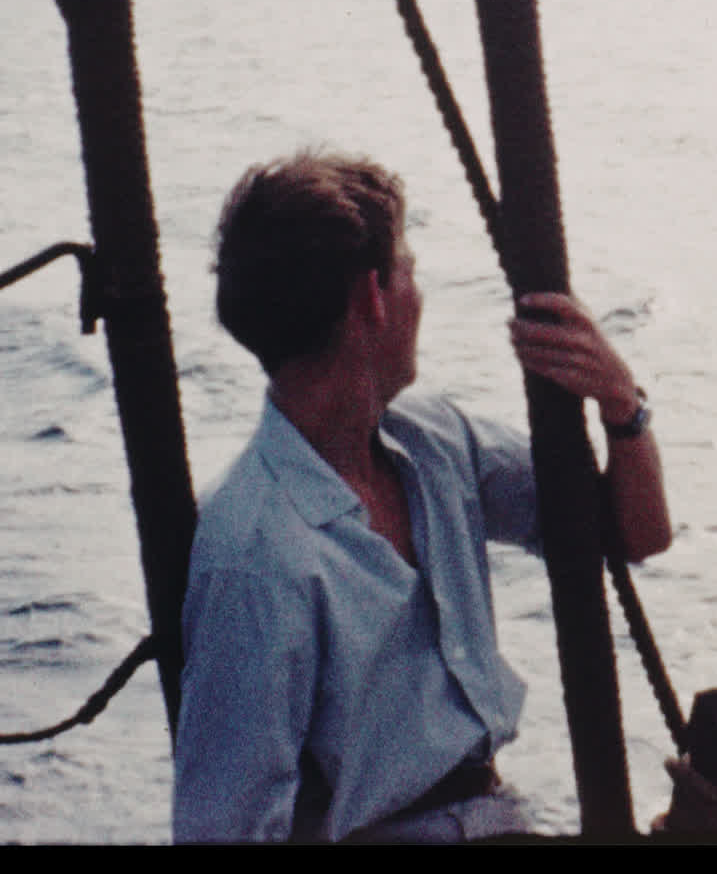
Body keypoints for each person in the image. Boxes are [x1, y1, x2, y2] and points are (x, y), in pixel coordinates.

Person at [171, 152, 673, 843]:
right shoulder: (256, 555)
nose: (419, 294)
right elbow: (223, 828)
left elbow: (635, 533)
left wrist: (622, 405)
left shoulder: (436, 444)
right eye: (408, 269)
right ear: (373, 298)